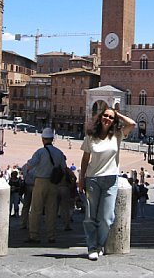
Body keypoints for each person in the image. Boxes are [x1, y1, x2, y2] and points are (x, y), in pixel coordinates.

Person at [79, 107, 136, 261]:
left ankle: (99, 244)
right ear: (100, 117)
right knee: (90, 216)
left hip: (111, 180)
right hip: (92, 179)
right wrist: (81, 179)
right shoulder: (90, 137)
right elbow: (85, 160)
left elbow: (132, 124)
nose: (107, 119)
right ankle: (92, 247)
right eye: (105, 116)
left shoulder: (117, 135)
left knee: (106, 217)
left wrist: (117, 114)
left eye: (111, 117)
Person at [25, 127, 67, 243]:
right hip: (54, 183)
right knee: (51, 210)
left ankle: (34, 235)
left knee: (36, 209)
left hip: (40, 181)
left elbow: (30, 165)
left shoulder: (40, 152)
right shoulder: (59, 152)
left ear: (43, 139)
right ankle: (51, 235)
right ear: (52, 139)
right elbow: (64, 168)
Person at [19, 163, 35, 229]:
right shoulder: (36, 166)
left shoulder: (25, 166)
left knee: (26, 206)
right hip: (34, 186)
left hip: (27, 186)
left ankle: (23, 223)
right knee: (34, 206)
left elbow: (23, 173)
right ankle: (32, 224)